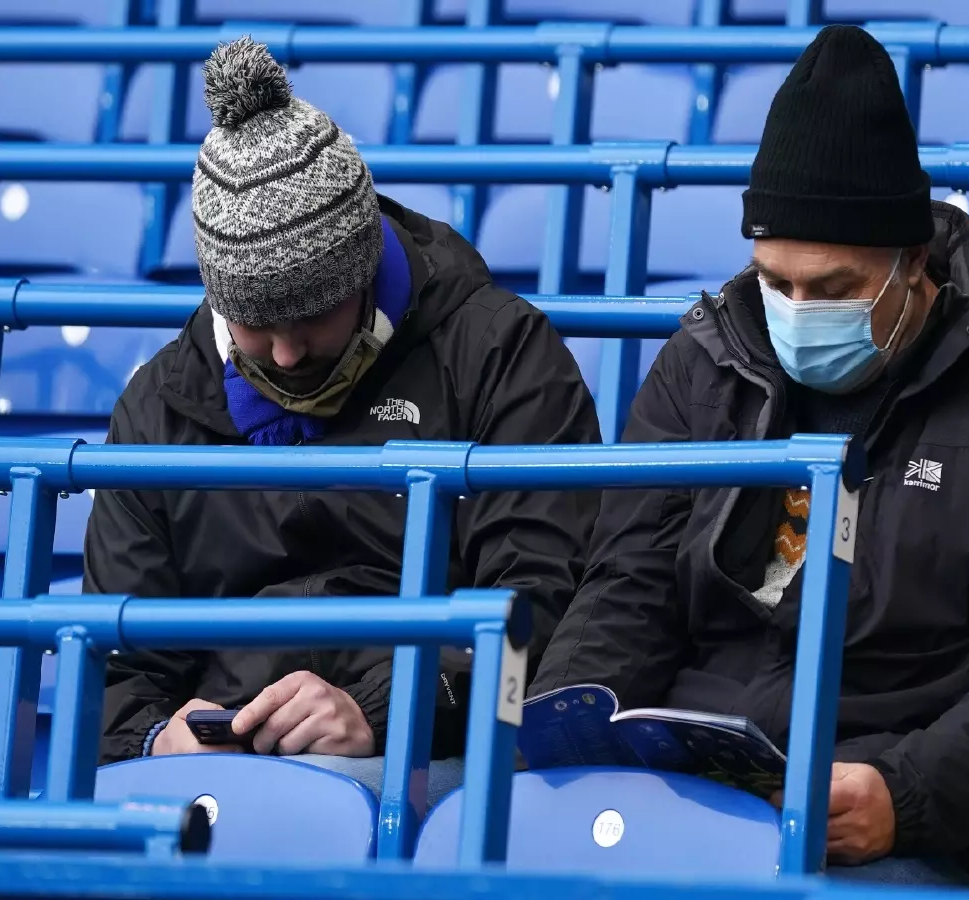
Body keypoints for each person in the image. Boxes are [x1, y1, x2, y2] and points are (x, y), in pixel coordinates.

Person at [531, 24, 969, 888]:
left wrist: (910, 792)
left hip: (900, 799)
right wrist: (569, 736)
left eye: (834, 289)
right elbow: (627, 584)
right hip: (695, 778)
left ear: (911, 263)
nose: (795, 309)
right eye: (775, 282)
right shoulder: (705, 361)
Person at [85, 38, 601, 806]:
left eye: (313, 316)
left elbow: (542, 609)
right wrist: (159, 737)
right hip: (205, 779)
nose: (287, 355)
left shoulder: (499, 352)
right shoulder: (158, 403)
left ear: (363, 270)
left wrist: (382, 715)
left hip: (426, 763)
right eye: (255, 323)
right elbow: (114, 668)